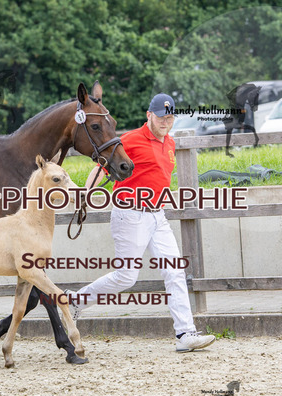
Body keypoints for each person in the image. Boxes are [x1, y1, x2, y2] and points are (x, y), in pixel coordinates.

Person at [66, 94, 216, 352]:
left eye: (170, 117)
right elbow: (101, 167)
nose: (165, 122)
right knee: (126, 277)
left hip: (158, 216)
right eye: (161, 117)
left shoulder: (170, 143)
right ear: (149, 115)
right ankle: (74, 302)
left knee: (175, 271)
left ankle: (185, 333)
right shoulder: (131, 139)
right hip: (130, 214)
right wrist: (85, 196)